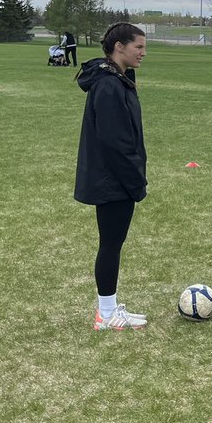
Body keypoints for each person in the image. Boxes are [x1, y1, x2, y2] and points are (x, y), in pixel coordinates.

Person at [75, 22, 149, 331]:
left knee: (113, 242)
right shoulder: (108, 85)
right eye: (139, 47)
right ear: (119, 47)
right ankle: (106, 313)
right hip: (112, 180)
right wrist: (135, 182)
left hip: (115, 178)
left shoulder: (117, 79)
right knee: (110, 243)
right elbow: (114, 142)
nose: (143, 53)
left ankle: (109, 306)